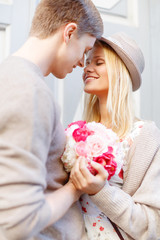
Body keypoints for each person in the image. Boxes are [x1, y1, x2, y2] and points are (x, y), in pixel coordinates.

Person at [0, 0, 107, 239]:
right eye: (85, 50)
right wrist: (75, 188)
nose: (82, 63)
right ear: (69, 33)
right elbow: (17, 222)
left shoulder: (10, 75)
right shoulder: (29, 91)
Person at [70, 32, 160, 240]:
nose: (87, 67)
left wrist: (101, 191)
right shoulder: (77, 134)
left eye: (99, 62)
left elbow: (153, 225)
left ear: (120, 72)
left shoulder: (143, 135)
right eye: (88, 61)